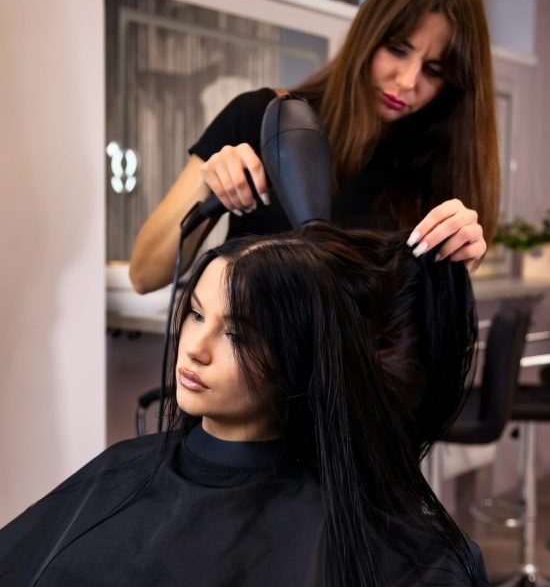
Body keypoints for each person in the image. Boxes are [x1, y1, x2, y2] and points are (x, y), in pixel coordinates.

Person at [0, 223, 486, 586]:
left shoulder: (369, 539)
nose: (195, 347)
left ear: (301, 356)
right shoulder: (122, 469)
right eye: (195, 314)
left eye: (237, 333)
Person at [129, 0, 499, 295]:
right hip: (253, 379)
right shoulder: (259, 119)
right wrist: (206, 181)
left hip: (360, 384)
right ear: (367, 38)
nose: (407, 80)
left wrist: (456, 270)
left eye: (434, 71)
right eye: (397, 50)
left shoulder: (434, 170)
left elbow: (415, 337)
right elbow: (145, 275)